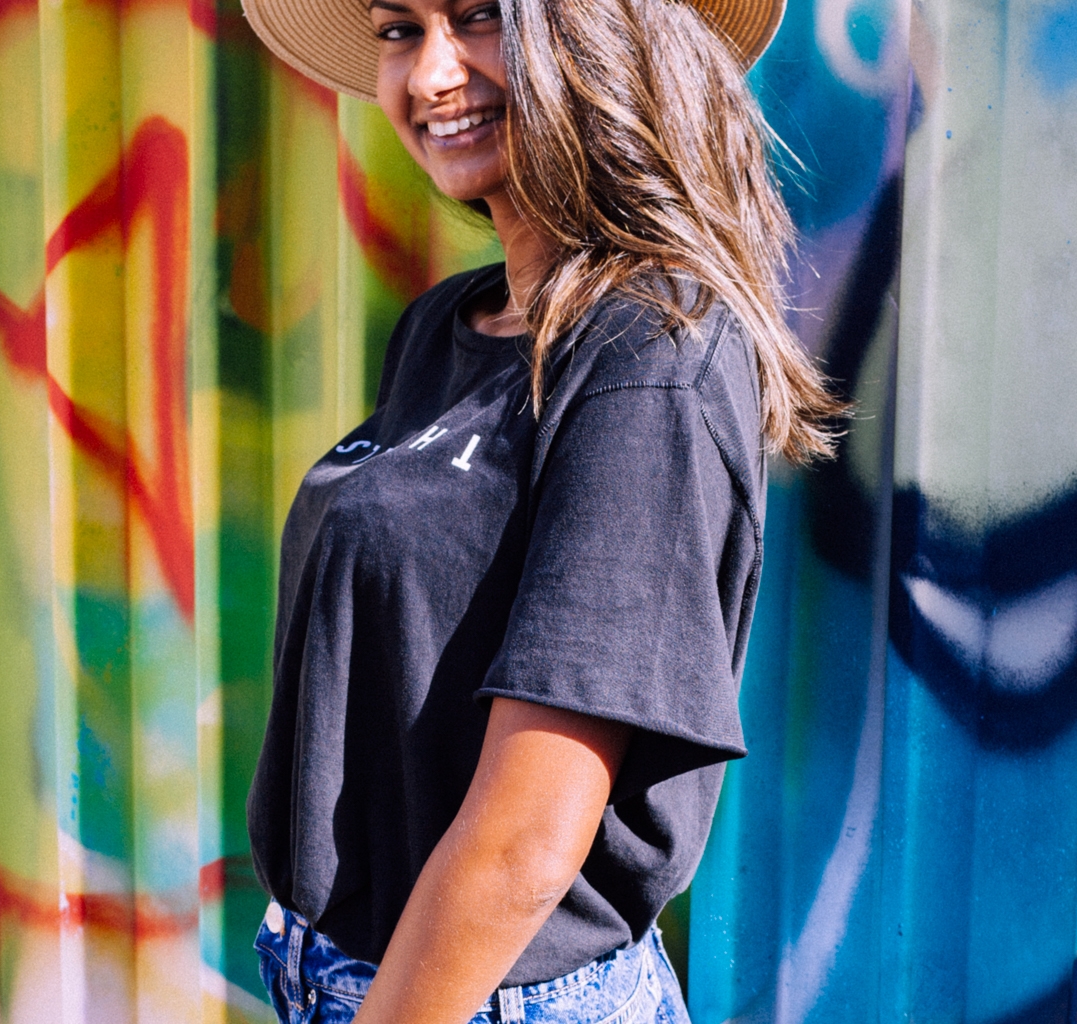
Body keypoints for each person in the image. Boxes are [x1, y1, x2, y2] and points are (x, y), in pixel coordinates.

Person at [237, 0, 845, 1021]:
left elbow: (527, 839)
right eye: (398, 30)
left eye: (479, 17)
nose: (429, 76)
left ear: (604, 32)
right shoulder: (448, 323)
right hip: (335, 968)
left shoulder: (648, 354)